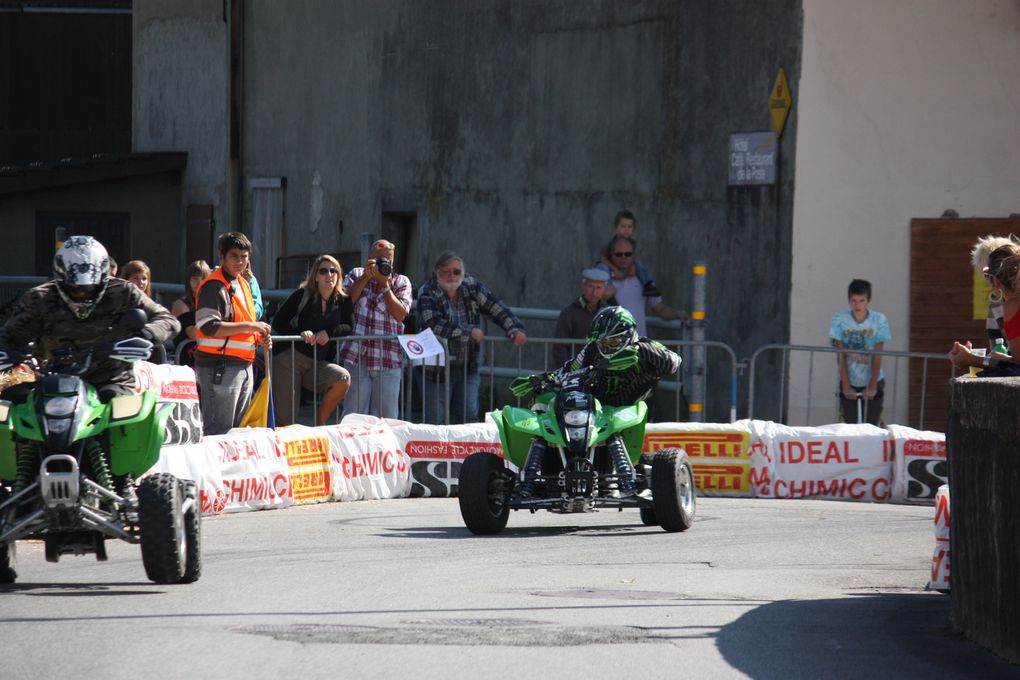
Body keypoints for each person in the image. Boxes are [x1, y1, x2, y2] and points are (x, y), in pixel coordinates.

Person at [0, 236, 179, 493]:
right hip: (50, 380)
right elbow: (9, 335)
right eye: (75, 288)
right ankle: (20, 483)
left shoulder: (123, 291)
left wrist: (146, 335)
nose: (82, 293)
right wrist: (7, 352)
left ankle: (119, 483)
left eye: (89, 287)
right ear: (61, 278)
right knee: (14, 408)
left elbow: (166, 318)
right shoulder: (40, 298)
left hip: (109, 377)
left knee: (122, 414)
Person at [510, 306, 680, 495]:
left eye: (612, 341)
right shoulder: (592, 350)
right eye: (602, 342)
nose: (606, 346)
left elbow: (674, 361)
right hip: (594, 410)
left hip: (627, 412)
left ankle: (621, 479)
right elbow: (568, 370)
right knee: (544, 399)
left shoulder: (646, 347)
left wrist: (639, 352)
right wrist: (540, 380)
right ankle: (534, 471)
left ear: (628, 335)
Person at [416, 250, 527, 424]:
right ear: (436, 272)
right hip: (435, 368)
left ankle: (468, 453)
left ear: (463, 272)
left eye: (456, 271)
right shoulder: (428, 290)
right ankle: (434, 452)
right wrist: (468, 331)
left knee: (469, 418)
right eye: (446, 271)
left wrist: (513, 328)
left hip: (468, 365)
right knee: (435, 421)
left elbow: (494, 305)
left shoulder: (471, 285)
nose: (452, 275)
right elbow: (433, 324)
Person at [193, 232, 273, 435]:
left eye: (244, 256)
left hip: (242, 366)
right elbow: (208, 326)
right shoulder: (213, 286)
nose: (240, 261)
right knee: (218, 432)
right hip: (219, 367)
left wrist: (260, 337)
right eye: (234, 256)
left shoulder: (243, 284)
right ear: (221, 256)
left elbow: (245, 323)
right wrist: (252, 327)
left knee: (236, 433)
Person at [271, 255, 354, 426]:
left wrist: (328, 333)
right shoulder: (302, 295)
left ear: (339, 275)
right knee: (286, 423)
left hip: (317, 362)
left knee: (342, 378)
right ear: (315, 276)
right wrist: (301, 334)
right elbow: (278, 321)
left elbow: (348, 325)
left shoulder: (343, 299)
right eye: (323, 271)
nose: (329, 275)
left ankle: (319, 426)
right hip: (289, 360)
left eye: (333, 271)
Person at [339, 239, 413, 419]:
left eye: (387, 260)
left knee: (386, 418)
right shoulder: (356, 274)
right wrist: (366, 277)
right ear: (369, 258)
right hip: (357, 357)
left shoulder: (400, 281)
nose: (383, 263)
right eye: (379, 259)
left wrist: (385, 286)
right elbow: (344, 303)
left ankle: (384, 448)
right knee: (353, 416)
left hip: (388, 358)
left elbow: (401, 314)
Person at [949, 245, 1020, 375]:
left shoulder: (1013, 306)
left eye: (987, 275)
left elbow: (1017, 365)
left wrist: (971, 359)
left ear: (994, 280)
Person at [828, 279, 891, 425]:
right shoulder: (839, 319)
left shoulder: (879, 319)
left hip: (872, 378)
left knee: (872, 426)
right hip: (850, 378)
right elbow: (840, 354)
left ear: (868, 300)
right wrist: (846, 385)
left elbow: (878, 353)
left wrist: (873, 385)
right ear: (849, 300)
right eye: (854, 300)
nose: (857, 305)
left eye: (861, 300)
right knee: (850, 427)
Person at [596, 235, 687, 336]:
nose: (623, 258)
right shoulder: (602, 281)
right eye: (619, 254)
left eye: (628, 254)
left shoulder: (644, 281)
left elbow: (660, 309)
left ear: (634, 255)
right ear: (611, 255)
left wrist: (678, 314)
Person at [552, 267, 610, 367]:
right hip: (576, 371)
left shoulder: (609, 313)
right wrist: (566, 371)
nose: (594, 292)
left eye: (598, 287)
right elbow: (559, 346)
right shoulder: (569, 313)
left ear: (604, 289)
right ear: (583, 286)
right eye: (590, 286)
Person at [971, 235, 1019, 349]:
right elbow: (996, 350)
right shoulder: (995, 303)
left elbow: (1016, 358)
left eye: (988, 275)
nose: (988, 281)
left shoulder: (1011, 306)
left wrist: (974, 360)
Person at [598, 210, 659, 296]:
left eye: (629, 227)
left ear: (633, 229)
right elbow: (603, 259)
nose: (626, 230)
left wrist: (630, 267)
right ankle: (609, 288)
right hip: (610, 266)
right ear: (616, 229)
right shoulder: (612, 244)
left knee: (638, 264)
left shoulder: (632, 243)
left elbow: (632, 258)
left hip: (624, 266)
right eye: (623, 226)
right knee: (603, 268)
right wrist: (616, 270)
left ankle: (648, 284)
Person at [171, 259, 211, 366]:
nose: (198, 283)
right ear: (188, 281)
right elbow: (193, 334)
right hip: (187, 362)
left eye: (203, 279)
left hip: (208, 360)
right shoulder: (181, 304)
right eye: (194, 279)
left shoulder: (211, 302)